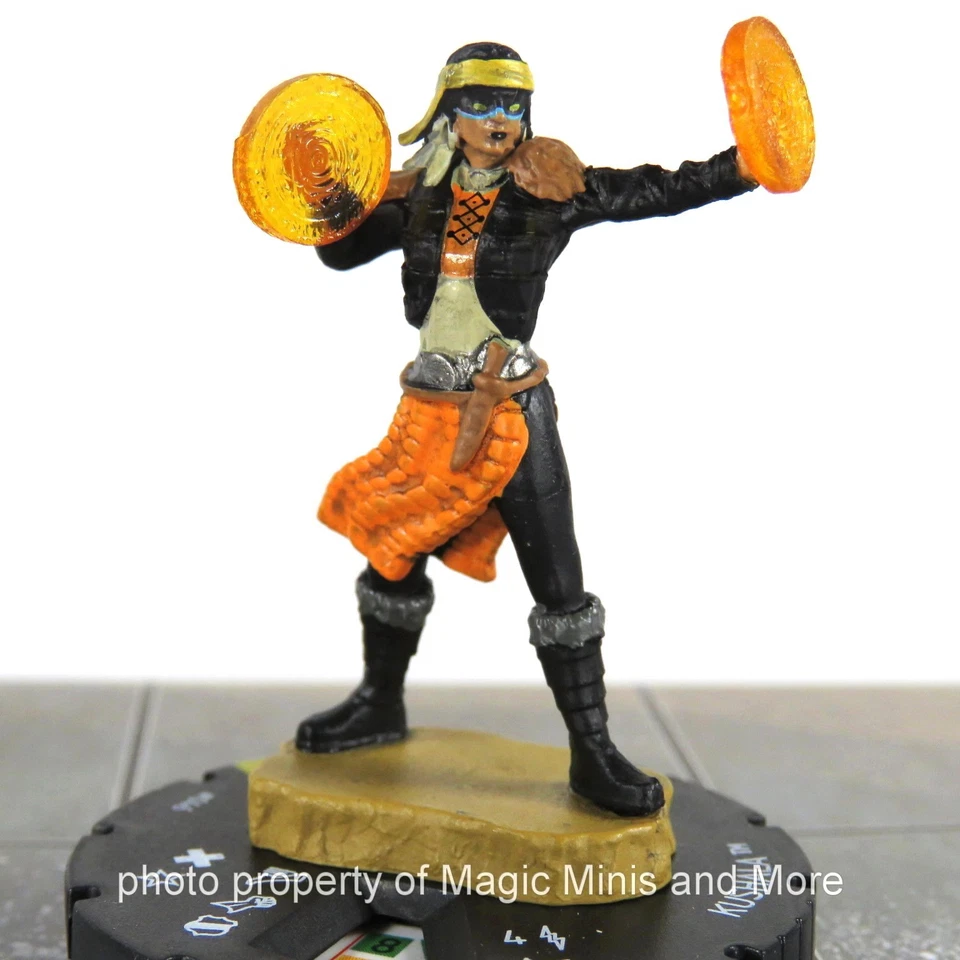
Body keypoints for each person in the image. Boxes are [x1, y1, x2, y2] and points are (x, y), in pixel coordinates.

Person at [295, 42, 757, 817]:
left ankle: (592, 751)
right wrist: (323, 193)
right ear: (448, 113)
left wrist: (740, 168)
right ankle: (378, 702)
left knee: (559, 585)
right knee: (390, 545)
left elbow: (655, 189)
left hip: (512, 407)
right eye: (481, 104)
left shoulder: (549, 190)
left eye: (512, 105)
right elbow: (342, 254)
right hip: (430, 407)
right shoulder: (418, 193)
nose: (499, 120)